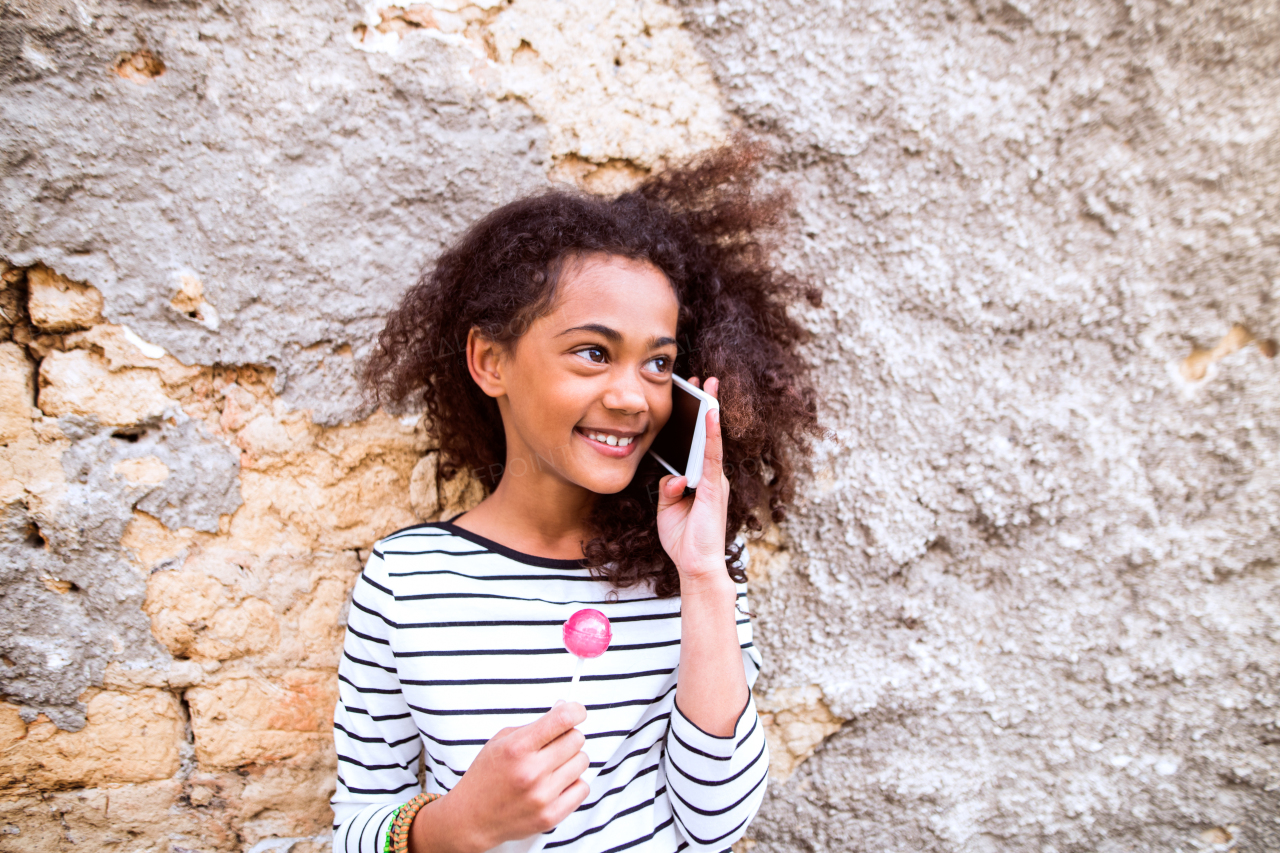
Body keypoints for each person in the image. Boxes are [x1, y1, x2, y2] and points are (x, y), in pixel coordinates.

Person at [331, 142, 824, 853]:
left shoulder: (692, 565)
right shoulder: (405, 582)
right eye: (594, 352)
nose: (631, 396)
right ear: (490, 361)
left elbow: (716, 825)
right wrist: (460, 823)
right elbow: (355, 829)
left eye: (658, 362)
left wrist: (704, 576)